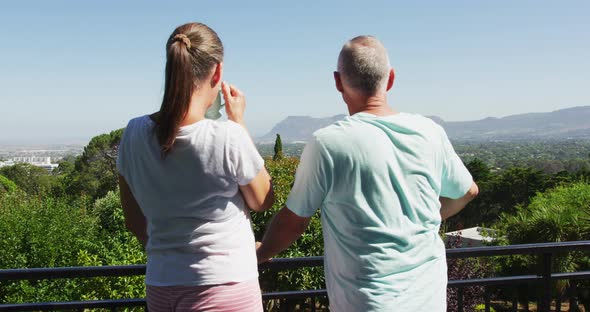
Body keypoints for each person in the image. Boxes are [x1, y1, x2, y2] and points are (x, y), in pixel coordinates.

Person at [256, 35, 478, 311]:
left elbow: (294, 221)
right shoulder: (429, 132)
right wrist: (425, 218)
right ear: (391, 78)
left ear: (338, 82)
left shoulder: (328, 143)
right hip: (429, 301)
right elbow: (467, 191)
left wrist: (261, 252)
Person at [117, 22, 274, 312]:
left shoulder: (133, 133)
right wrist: (238, 121)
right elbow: (263, 199)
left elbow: (134, 221)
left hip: (162, 285)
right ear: (218, 72)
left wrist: (173, 254)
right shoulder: (227, 136)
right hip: (225, 285)